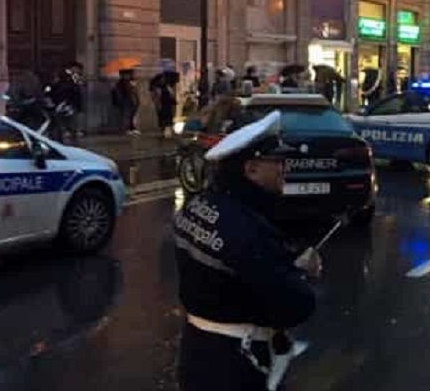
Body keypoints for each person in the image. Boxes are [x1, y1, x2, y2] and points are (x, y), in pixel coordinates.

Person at [174, 111, 321, 391]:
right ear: (251, 169)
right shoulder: (247, 229)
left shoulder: (199, 205)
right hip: (236, 364)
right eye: (277, 161)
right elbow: (297, 306)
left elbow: (230, 273)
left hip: (196, 348)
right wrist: (302, 273)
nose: (284, 168)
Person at [112, 69, 141, 136]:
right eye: (126, 74)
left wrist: (133, 88)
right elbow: (121, 93)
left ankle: (132, 128)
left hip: (132, 101)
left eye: (128, 74)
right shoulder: (120, 83)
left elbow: (135, 92)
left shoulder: (131, 82)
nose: (127, 76)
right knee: (126, 116)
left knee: (132, 116)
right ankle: (126, 129)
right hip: (126, 102)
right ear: (122, 75)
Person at [151, 72, 177, 138]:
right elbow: (156, 97)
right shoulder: (157, 87)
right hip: (162, 104)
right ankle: (165, 132)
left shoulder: (167, 86)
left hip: (167, 104)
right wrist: (158, 104)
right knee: (163, 118)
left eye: (164, 78)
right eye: (162, 78)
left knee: (168, 118)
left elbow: (171, 95)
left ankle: (168, 132)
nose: (163, 79)